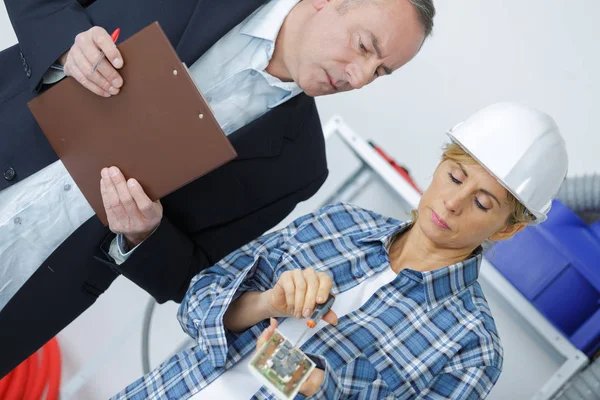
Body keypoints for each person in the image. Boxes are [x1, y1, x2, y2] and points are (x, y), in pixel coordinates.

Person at [0, 0, 436, 377]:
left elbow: (190, 277)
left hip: (29, 295)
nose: (358, 77)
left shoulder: (299, 167)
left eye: (379, 72)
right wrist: (66, 44)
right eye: (363, 47)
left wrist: (144, 235)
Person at [112, 102, 569, 399]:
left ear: (507, 231)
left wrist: (315, 384)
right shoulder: (339, 223)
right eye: (454, 176)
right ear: (438, 167)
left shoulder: (473, 347)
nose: (453, 202)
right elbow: (197, 302)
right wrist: (268, 302)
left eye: (483, 203)